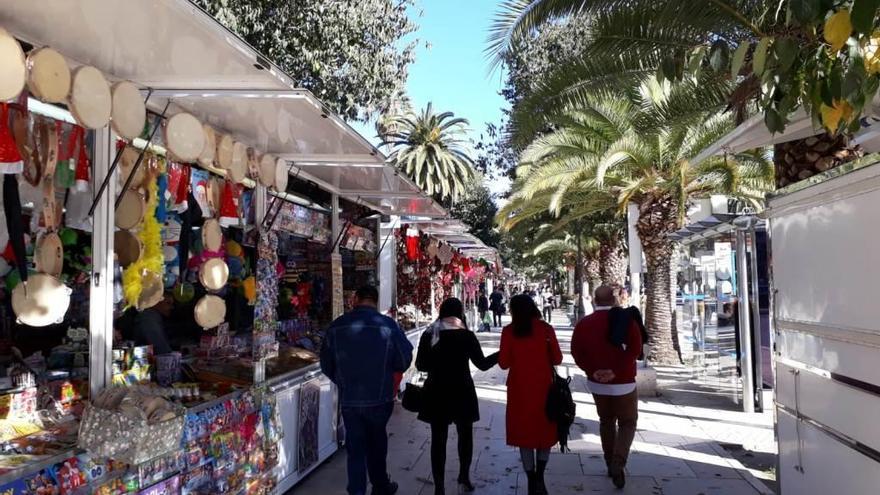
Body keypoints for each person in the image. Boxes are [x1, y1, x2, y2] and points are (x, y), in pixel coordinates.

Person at [320, 286, 413, 495]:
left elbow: (326, 364)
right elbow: (404, 359)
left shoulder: (337, 326)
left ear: (356, 298)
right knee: (377, 444)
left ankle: (358, 490)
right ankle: (380, 486)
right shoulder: (388, 325)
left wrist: (343, 381)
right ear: (376, 301)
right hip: (380, 398)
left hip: (350, 400)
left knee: (355, 450)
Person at [416, 298, 499, 495]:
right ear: (460, 312)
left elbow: (421, 366)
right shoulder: (466, 335)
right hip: (462, 391)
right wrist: (502, 353)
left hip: (437, 391)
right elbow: (483, 364)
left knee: (438, 440)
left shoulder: (429, 334)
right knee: (466, 436)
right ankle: (464, 476)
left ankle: (439, 486)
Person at [571, 286, 642, 489]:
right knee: (628, 422)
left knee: (606, 421)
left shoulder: (584, 323)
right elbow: (635, 350)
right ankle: (618, 463)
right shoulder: (626, 320)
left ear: (594, 300)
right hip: (624, 382)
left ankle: (609, 461)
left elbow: (577, 352)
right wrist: (615, 372)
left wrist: (592, 371)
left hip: (597, 383)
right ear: (615, 299)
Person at [498, 294, 563, 495]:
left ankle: (531, 478)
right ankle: (540, 476)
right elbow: (558, 359)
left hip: (519, 390)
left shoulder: (509, 331)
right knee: (544, 431)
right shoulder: (545, 329)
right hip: (544, 388)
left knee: (524, 434)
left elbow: (503, 363)